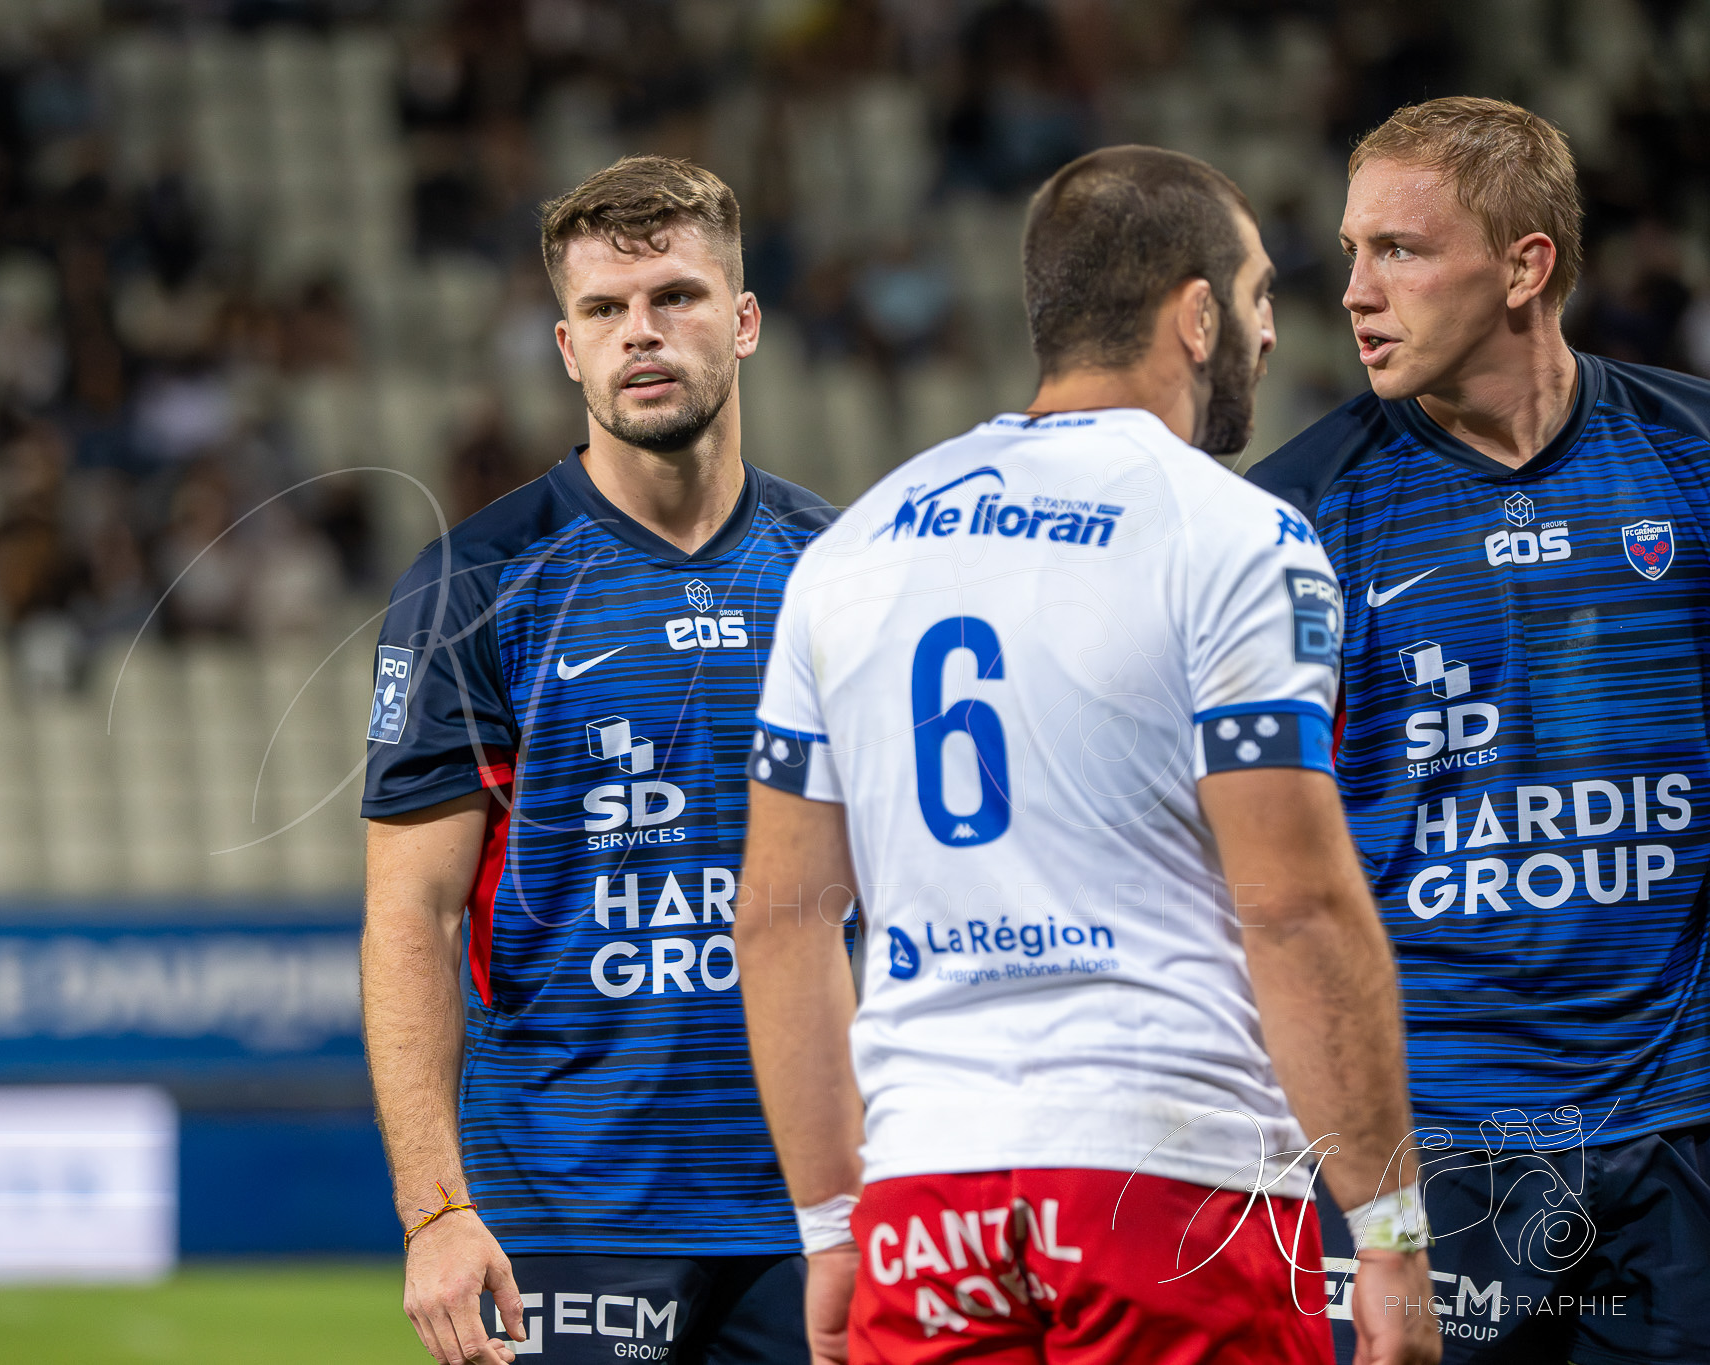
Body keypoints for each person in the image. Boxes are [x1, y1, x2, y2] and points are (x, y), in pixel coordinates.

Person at [736, 145, 1441, 1365]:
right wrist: (1385, 1229)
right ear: (1196, 313)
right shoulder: (1232, 535)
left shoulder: (846, 554)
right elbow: (1292, 906)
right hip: (1170, 1185)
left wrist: (831, 1226)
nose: (1272, 334)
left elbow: (780, 923)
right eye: (1263, 294)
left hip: (927, 1201)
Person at [1248, 96, 1710, 1365]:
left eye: (1396, 250)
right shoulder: (1287, 519)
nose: (1351, 290)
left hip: (1680, 1126)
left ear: (1523, 267)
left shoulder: (1689, 462)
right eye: (1348, 252)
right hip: (1431, 1146)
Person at [359, 156, 834, 1365]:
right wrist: (434, 1209)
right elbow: (406, 914)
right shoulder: (476, 582)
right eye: (604, 311)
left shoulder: (844, 571)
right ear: (565, 349)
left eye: (674, 297)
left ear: (743, 321)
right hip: (562, 1212)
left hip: (815, 1208)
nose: (641, 335)